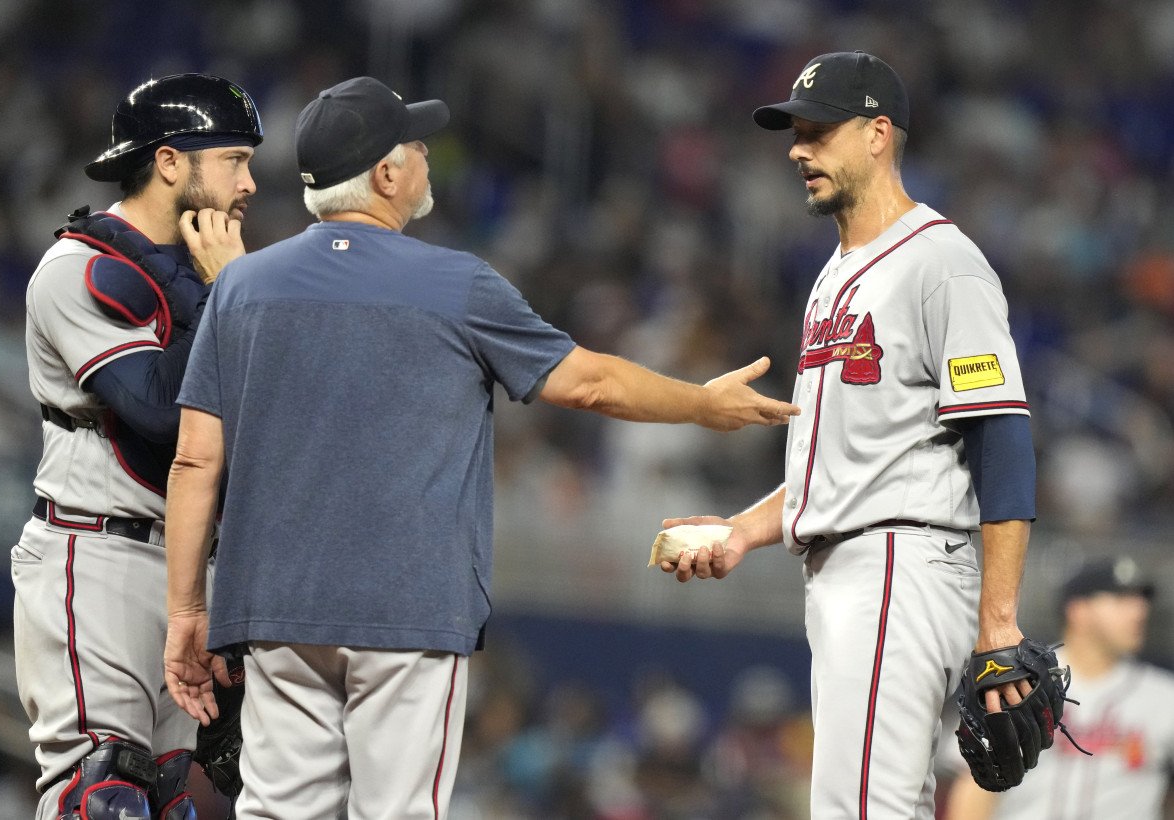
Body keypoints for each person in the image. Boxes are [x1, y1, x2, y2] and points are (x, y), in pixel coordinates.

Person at [161, 75, 800, 820]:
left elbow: (195, 459)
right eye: (416, 145)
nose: (429, 156)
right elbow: (589, 385)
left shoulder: (241, 286)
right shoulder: (453, 283)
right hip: (406, 605)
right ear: (387, 174)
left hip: (271, 606)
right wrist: (700, 403)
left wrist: (185, 612)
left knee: (277, 810)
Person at [659, 51, 1041, 818]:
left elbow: (999, 433)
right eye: (795, 133)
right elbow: (839, 465)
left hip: (899, 562)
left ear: (876, 134)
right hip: (854, 562)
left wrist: (998, 621)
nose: (799, 149)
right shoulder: (837, 273)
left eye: (819, 132)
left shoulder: (941, 263)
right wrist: (741, 531)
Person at [13, 73, 261, 820]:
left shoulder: (213, 274)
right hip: (97, 560)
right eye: (234, 159)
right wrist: (230, 295)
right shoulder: (74, 269)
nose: (249, 182)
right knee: (104, 797)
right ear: (169, 161)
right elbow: (156, 411)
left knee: (168, 804)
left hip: (191, 576)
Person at [944, 556, 1174, 819]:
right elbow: (976, 786)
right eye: (1121, 600)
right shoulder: (1016, 683)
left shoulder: (1165, 697)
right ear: (1078, 609)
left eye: (1141, 601)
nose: (1139, 611)